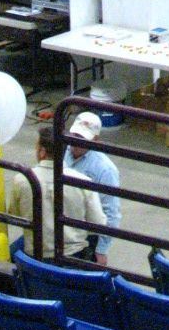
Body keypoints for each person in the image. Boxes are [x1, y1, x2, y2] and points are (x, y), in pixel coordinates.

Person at [7, 124, 107, 260]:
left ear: (42, 151)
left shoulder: (22, 179)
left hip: (34, 257)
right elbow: (98, 223)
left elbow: (15, 214)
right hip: (74, 257)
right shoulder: (83, 182)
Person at [67, 112, 121, 264]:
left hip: (85, 232)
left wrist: (101, 250)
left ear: (95, 140)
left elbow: (111, 212)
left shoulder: (105, 170)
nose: (75, 142)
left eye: (82, 138)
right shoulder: (61, 153)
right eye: (74, 135)